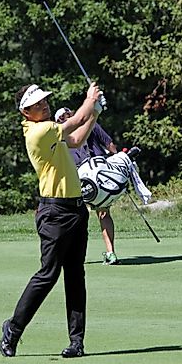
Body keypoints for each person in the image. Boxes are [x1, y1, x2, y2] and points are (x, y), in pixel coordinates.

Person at [0, 82, 104, 359]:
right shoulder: (39, 131)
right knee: (48, 274)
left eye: (45, 102)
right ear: (26, 113)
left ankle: (76, 342)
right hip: (54, 213)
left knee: (75, 275)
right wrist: (90, 100)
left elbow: (78, 139)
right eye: (37, 105)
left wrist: (95, 114)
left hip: (76, 209)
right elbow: (77, 119)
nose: (44, 106)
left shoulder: (48, 129)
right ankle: (13, 329)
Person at [55, 107, 120, 265]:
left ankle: (111, 253)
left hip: (99, 174)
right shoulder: (58, 136)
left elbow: (108, 143)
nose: (66, 117)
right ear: (58, 122)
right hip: (77, 178)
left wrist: (118, 161)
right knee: (75, 215)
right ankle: (71, 253)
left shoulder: (92, 125)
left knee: (103, 212)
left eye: (68, 114)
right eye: (62, 117)